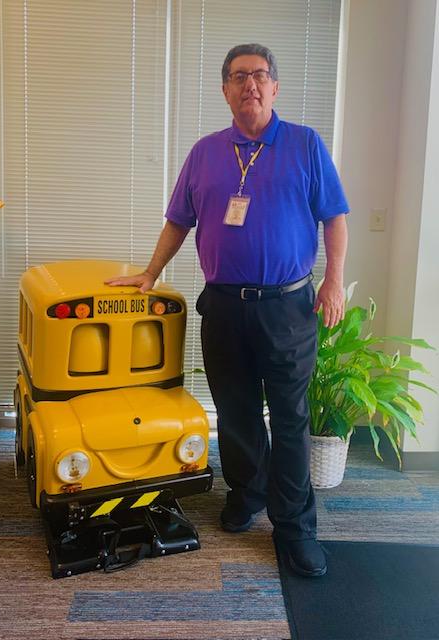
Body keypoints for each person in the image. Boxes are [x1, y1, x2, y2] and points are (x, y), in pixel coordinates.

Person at [106, 43, 349, 578]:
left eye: (260, 75)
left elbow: (334, 217)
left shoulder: (305, 146)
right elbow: (178, 219)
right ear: (225, 90)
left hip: (287, 308)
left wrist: (332, 281)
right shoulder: (205, 153)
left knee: (289, 421)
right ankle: (248, 492)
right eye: (238, 77)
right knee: (236, 413)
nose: (250, 85)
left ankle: (295, 529)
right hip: (224, 308)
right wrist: (150, 272)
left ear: (275, 87)